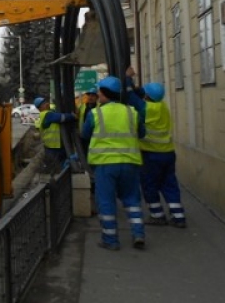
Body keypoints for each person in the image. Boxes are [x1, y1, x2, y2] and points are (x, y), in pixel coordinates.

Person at [81, 76, 145, 251]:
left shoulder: (96, 113)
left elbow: (85, 134)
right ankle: (138, 233)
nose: (98, 95)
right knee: (132, 200)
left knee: (106, 201)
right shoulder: (132, 112)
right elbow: (141, 133)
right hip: (130, 162)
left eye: (99, 92)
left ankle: (110, 240)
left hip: (105, 165)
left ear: (104, 94)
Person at [125, 78, 187, 227]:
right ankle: (178, 217)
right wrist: (136, 87)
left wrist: (127, 78)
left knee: (150, 185)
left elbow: (131, 98)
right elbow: (140, 96)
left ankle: (157, 215)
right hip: (168, 153)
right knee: (169, 184)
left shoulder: (147, 109)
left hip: (151, 155)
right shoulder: (162, 106)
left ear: (147, 96)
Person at [34, 97, 76, 173]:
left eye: (46, 102)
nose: (46, 104)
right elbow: (61, 117)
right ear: (39, 108)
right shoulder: (47, 115)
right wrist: (72, 116)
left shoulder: (49, 113)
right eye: (43, 104)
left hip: (55, 146)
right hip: (53, 148)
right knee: (54, 167)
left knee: (60, 165)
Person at [76, 88, 99, 157]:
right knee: (83, 153)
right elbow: (77, 117)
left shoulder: (99, 108)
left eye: (93, 95)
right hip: (83, 135)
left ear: (97, 97)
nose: (90, 97)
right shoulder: (82, 106)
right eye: (89, 95)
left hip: (94, 136)